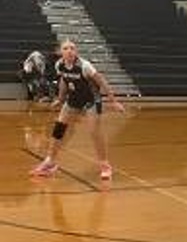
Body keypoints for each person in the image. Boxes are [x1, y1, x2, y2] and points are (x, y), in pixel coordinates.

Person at [29, 40, 124, 180]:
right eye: (66, 48)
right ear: (60, 52)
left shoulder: (84, 66)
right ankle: (50, 162)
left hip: (91, 101)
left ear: (76, 51)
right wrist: (60, 99)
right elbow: (64, 81)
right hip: (73, 101)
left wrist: (113, 101)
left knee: (94, 132)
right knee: (58, 130)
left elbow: (101, 81)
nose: (69, 51)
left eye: (72, 48)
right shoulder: (59, 65)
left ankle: (105, 165)